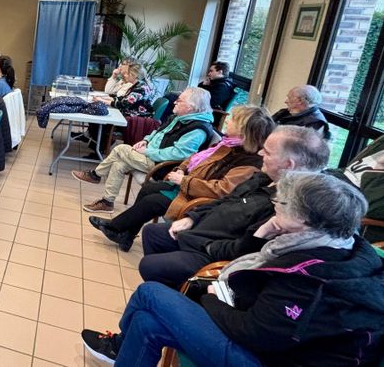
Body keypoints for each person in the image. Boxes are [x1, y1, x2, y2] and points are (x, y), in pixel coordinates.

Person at [82, 171, 384, 367]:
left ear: (305, 219)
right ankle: (120, 349)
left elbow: (255, 333)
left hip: (270, 358)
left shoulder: (310, 277)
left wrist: (210, 299)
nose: (275, 205)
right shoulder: (344, 245)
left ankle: (118, 345)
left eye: (282, 203)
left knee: (150, 293)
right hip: (268, 338)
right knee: (147, 323)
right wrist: (263, 232)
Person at [137, 125, 330, 288]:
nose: (260, 153)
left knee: (150, 265)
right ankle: (170, 289)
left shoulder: (287, 207)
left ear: (288, 164)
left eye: (268, 152)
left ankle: (175, 293)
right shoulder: (262, 177)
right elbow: (223, 200)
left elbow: (244, 249)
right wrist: (192, 218)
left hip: (213, 254)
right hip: (201, 234)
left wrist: (204, 244)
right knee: (153, 233)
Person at [89, 105, 276, 251]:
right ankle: (126, 234)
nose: (227, 121)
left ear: (244, 130)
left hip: (200, 198)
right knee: (148, 189)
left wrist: (184, 181)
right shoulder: (226, 144)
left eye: (233, 119)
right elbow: (194, 158)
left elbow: (223, 190)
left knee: (152, 201)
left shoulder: (249, 160)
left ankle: (116, 228)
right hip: (187, 183)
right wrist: (181, 169)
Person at [74, 87, 215, 213]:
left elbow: (179, 154)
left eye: (179, 100)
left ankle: (95, 175)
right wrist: (146, 140)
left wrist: (147, 152)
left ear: (190, 107)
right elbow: (158, 131)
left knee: (120, 149)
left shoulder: (197, 129)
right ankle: (107, 202)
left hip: (163, 167)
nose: (174, 102)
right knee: (119, 164)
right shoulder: (180, 117)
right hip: (152, 156)